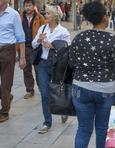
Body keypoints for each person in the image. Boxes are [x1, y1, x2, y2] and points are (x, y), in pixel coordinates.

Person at [69, 2, 115, 148]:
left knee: (83, 128)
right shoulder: (112, 40)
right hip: (106, 90)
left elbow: (72, 62)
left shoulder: (79, 38)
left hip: (81, 88)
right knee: (102, 129)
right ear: (104, 17)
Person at [0, 0, 26, 123]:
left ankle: (4, 112)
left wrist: (22, 57)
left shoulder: (14, 15)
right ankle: (7, 98)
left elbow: (20, 36)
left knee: (6, 83)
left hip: (8, 51)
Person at [32, 5, 70, 134]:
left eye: (48, 13)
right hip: (43, 64)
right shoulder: (43, 28)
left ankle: (63, 111)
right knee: (44, 94)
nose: (45, 15)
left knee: (58, 91)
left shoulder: (63, 31)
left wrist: (52, 46)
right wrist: (39, 39)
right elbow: (33, 44)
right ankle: (47, 122)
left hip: (57, 65)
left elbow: (67, 49)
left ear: (54, 16)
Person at [18, 0, 45, 99]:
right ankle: (29, 90)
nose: (28, 7)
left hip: (37, 47)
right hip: (24, 47)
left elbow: (45, 30)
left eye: (30, 5)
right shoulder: (20, 18)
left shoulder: (40, 18)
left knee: (39, 70)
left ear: (33, 6)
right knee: (26, 70)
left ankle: (43, 90)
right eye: (26, 6)